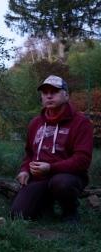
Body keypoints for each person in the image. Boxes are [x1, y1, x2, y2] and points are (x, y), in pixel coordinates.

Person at [11, 75, 94, 223]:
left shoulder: (82, 123)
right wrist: (24, 170)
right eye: (44, 93)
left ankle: (70, 212)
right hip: (39, 178)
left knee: (61, 183)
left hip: (69, 177)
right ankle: (46, 204)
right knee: (18, 214)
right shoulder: (35, 123)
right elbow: (29, 153)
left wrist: (50, 167)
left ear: (66, 95)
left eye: (54, 91)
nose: (48, 96)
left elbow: (82, 160)